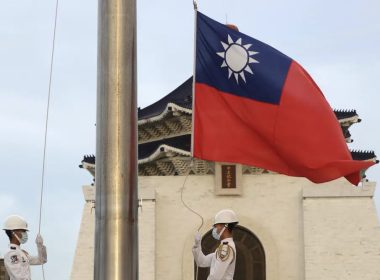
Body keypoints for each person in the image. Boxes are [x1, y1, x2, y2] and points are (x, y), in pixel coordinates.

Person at [192, 209, 238, 280]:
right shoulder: (223, 247)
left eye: (216, 226)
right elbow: (202, 262)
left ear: (225, 226)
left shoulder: (226, 248)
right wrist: (197, 245)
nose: (215, 229)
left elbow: (215, 277)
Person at [3, 215, 47, 280]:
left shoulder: (20, 252)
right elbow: (20, 278)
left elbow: (41, 260)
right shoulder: (11, 254)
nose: (25, 234)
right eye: (23, 231)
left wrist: (40, 245)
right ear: (13, 233)